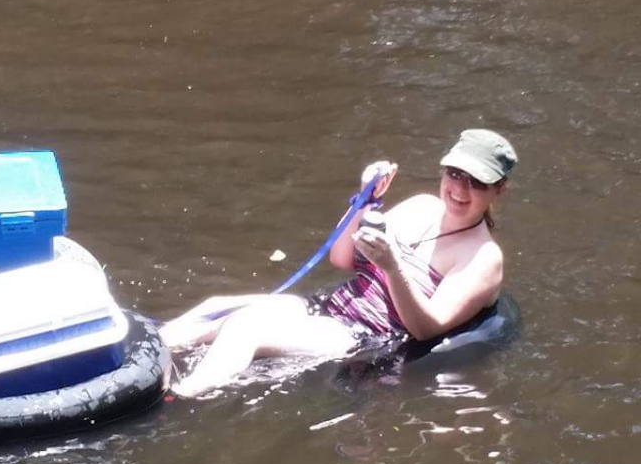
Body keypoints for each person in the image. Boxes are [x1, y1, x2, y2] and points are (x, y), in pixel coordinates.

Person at [160, 129, 518, 397]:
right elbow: (342, 257)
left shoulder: (484, 258)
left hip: (365, 336)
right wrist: (364, 201)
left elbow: (427, 328)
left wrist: (392, 267)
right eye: (454, 174)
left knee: (244, 330)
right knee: (216, 309)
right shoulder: (421, 206)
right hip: (331, 306)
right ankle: (139, 352)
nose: (459, 189)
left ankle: (177, 398)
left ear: (499, 190)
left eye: (476, 182)